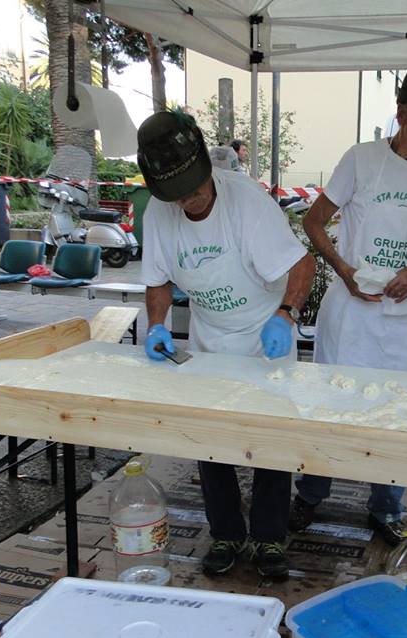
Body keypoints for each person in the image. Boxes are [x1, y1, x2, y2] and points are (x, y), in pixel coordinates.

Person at [288, 59, 407, 546]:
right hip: (352, 309)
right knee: (331, 402)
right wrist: (343, 270)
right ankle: (311, 494)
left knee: (397, 411)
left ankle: (386, 506)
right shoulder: (361, 159)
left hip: (404, 316)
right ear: (402, 113)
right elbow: (314, 222)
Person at [137, 110, 316, 581]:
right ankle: (226, 534)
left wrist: (287, 314)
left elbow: (303, 266)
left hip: (264, 337)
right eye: (177, 194)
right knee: (211, 441)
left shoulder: (248, 204)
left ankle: (270, 538)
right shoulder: (159, 212)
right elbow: (157, 281)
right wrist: (156, 326)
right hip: (209, 340)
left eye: (194, 188)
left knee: (270, 439)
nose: (188, 200)